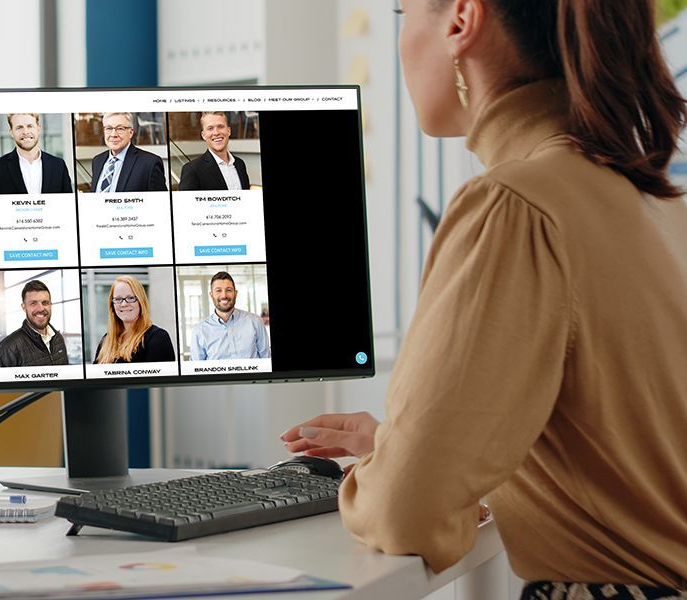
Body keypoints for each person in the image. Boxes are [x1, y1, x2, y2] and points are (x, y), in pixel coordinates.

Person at [282, 0, 687, 597]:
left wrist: (389, 473)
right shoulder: (652, 201)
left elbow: (404, 512)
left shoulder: (515, 205)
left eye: (403, 12)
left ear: (459, 21)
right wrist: (403, 444)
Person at [0, 113, 73, 195]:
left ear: (38, 129)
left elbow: (68, 207)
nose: (25, 132)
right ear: (11, 132)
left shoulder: (58, 166)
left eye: (30, 126)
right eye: (19, 127)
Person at [93, 276, 174, 364]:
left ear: (141, 301)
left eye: (131, 298)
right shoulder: (106, 340)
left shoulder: (158, 338)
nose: (124, 304)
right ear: (112, 304)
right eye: (118, 299)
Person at [192, 271, 269, 361]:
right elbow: (196, 370)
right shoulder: (200, 331)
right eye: (218, 290)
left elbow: (266, 359)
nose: (224, 295)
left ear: (235, 294)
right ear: (211, 295)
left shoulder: (255, 322)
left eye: (228, 290)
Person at [0, 280, 69, 367]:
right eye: (33, 303)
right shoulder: (6, 350)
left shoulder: (58, 338)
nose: (41, 308)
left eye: (45, 303)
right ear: (24, 307)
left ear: (50, 305)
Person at [89, 113, 167, 193]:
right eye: (108, 128)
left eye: (120, 129)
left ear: (131, 132)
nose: (113, 134)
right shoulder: (97, 161)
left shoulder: (150, 163)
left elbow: (160, 203)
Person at [179, 112, 251, 191]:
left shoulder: (240, 164)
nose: (216, 133)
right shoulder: (192, 170)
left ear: (228, 131)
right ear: (203, 135)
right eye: (210, 128)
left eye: (220, 126)